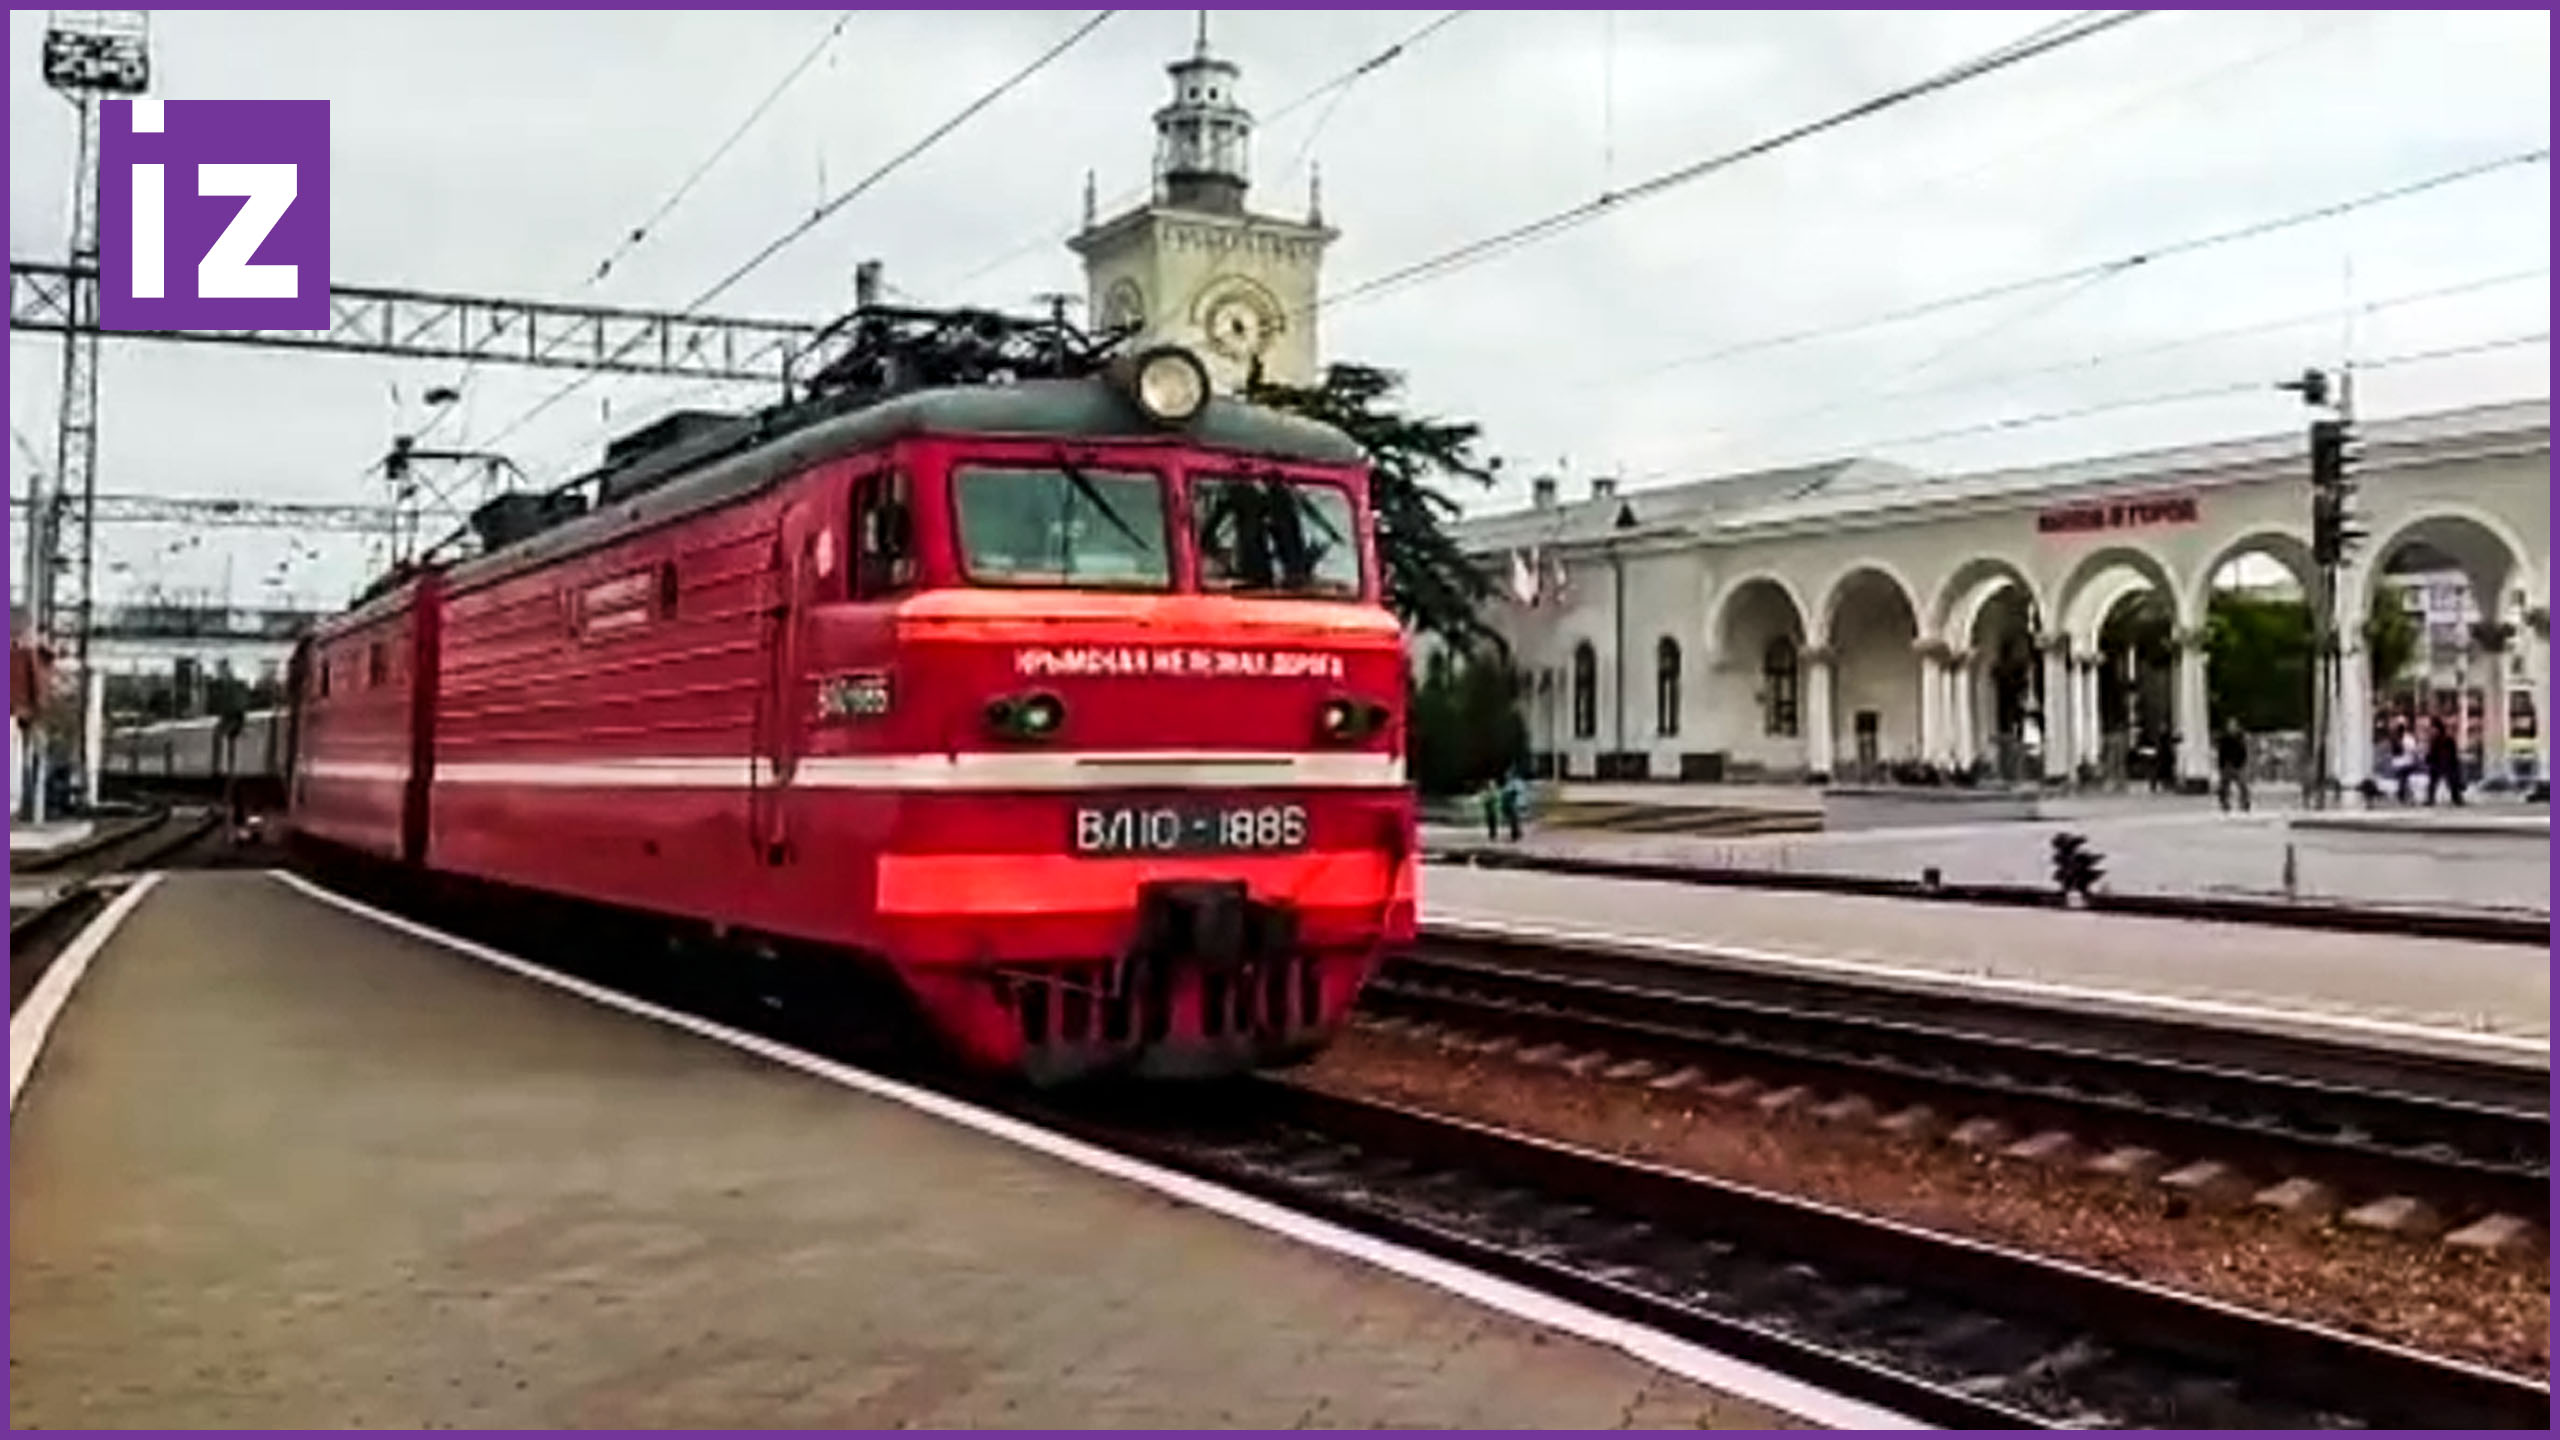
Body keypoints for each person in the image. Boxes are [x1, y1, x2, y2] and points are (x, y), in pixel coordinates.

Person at [2425, 716, 2465, 807]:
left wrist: (2454, 762)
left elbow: (2453, 751)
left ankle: (2457, 799)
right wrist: (2428, 758)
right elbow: (2432, 751)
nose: (2432, 730)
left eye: (2433, 728)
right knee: (2433, 782)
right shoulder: (2434, 738)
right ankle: (2430, 799)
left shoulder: (2447, 738)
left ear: (2438, 728)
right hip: (2437, 763)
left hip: (2447, 763)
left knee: (2452, 782)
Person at [2214, 720, 2251, 813]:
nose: (2231, 728)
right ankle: (2224, 803)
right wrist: (2221, 764)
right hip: (2227, 764)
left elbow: (2244, 751)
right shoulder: (2224, 738)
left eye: (2233, 726)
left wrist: (2243, 762)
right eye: (2230, 726)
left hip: (2238, 764)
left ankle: (2244, 802)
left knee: (2242, 784)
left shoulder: (2240, 737)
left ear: (2237, 727)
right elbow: (2221, 752)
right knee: (2224, 785)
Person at [1497, 770, 1527, 842]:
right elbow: (1504, 795)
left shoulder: (1515, 783)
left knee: (1515, 821)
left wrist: (1511, 793)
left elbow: (1519, 791)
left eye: (1508, 775)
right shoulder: (1507, 784)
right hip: (1510, 805)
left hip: (1514, 804)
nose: (1507, 776)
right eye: (1506, 775)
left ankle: (1516, 835)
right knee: (1513, 822)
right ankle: (1517, 834)